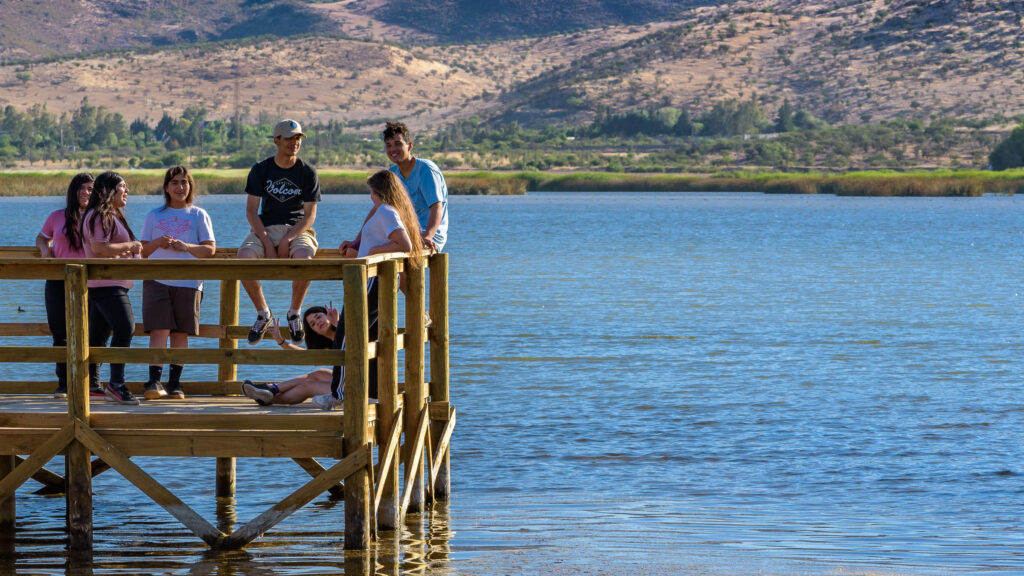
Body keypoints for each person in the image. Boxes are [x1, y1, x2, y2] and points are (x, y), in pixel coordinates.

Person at [314, 169, 425, 410]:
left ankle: (339, 395)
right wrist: (358, 245)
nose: (370, 198)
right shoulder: (392, 211)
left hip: (370, 282)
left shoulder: (385, 211)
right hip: (377, 283)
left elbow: (403, 245)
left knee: (345, 336)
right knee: (370, 338)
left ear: (378, 192)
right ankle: (372, 394)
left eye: (371, 192)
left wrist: (373, 251)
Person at [237, 119, 321, 346]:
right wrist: (265, 241)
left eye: (298, 138)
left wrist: (288, 239)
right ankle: (263, 314)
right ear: (277, 140)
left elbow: (309, 215)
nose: (294, 143)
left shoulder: (307, 172)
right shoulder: (261, 169)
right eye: (289, 138)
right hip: (264, 227)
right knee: (243, 259)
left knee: (305, 258)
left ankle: (294, 313)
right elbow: (251, 211)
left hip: (297, 229)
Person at [140, 166, 216, 400]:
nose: (180, 187)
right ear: (166, 187)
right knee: (159, 331)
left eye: (184, 182)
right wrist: (158, 243)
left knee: (180, 334)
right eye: (175, 182)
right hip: (157, 280)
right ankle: (154, 381)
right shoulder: (154, 215)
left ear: (190, 186)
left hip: (189, 282)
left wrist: (186, 247)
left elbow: (210, 249)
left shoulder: (198, 215)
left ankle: (175, 384)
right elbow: (142, 250)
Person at [36, 173, 105, 399]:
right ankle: (64, 384)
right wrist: (45, 249)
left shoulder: (101, 217)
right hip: (58, 279)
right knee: (61, 333)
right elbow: (42, 237)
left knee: (94, 332)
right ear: (73, 191)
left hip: (92, 280)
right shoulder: (57, 216)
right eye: (81, 188)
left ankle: (90, 382)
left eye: (90, 189)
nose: (86, 193)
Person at [340, 121, 448, 257]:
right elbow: (377, 209)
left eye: (398, 144)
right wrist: (357, 240)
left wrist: (428, 236)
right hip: (402, 232)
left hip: (426, 235)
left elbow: (437, 207)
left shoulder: (426, 170)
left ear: (410, 146)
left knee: (399, 256)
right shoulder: (392, 173)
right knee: (353, 252)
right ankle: (374, 278)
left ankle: (400, 278)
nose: (393, 150)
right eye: (389, 145)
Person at [82, 171, 143, 405]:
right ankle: (116, 385)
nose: (127, 191)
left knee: (98, 336)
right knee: (126, 328)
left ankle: (92, 384)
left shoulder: (107, 215)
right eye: (123, 187)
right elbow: (99, 248)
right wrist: (132, 245)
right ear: (109, 190)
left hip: (105, 284)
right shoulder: (101, 215)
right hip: (108, 284)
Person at [240, 304, 339, 406]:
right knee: (319, 373)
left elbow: (348, 345)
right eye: (313, 324)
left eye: (319, 317)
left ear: (328, 315)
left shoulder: (346, 331)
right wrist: (280, 341)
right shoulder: (328, 343)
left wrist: (337, 324)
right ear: (314, 331)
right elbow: (304, 355)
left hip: (352, 388)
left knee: (306, 386)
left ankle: (269, 398)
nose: (318, 322)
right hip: (346, 381)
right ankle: (272, 389)